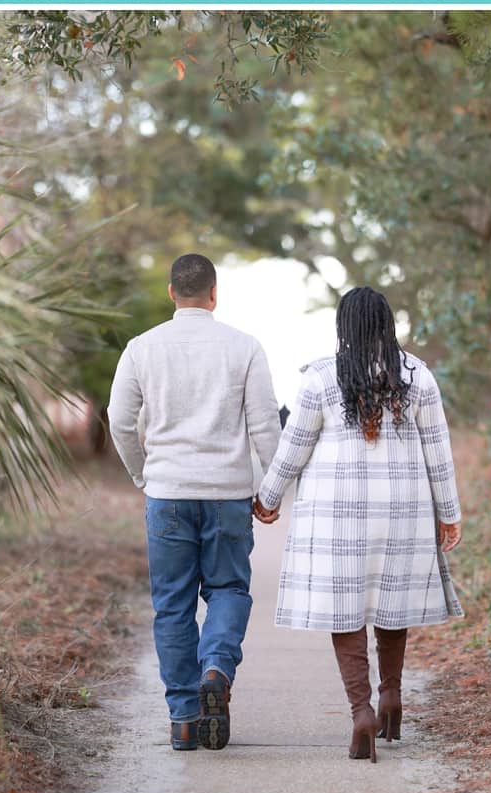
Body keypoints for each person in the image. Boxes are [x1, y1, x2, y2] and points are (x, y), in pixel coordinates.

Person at [252, 287, 464, 762]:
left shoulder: (321, 379)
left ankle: (361, 713)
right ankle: (391, 696)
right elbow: (439, 452)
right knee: (392, 604)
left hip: (338, 516)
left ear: (343, 326)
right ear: (388, 324)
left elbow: (294, 447)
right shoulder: (418, 377)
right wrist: (449, 511)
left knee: (345, 612)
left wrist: (267, 497)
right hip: (402, 512)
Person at [107, 252, 281, 752]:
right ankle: (216, 669)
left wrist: (143, 473)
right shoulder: (244, 347)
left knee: (172, 606)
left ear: (170, 293)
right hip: (227, 494)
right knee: (228, 588)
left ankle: (184, 719)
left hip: (168, 495)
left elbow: (119, 419)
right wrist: (270, 489)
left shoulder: (142, 348)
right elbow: (266, 425)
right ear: (214, 293)